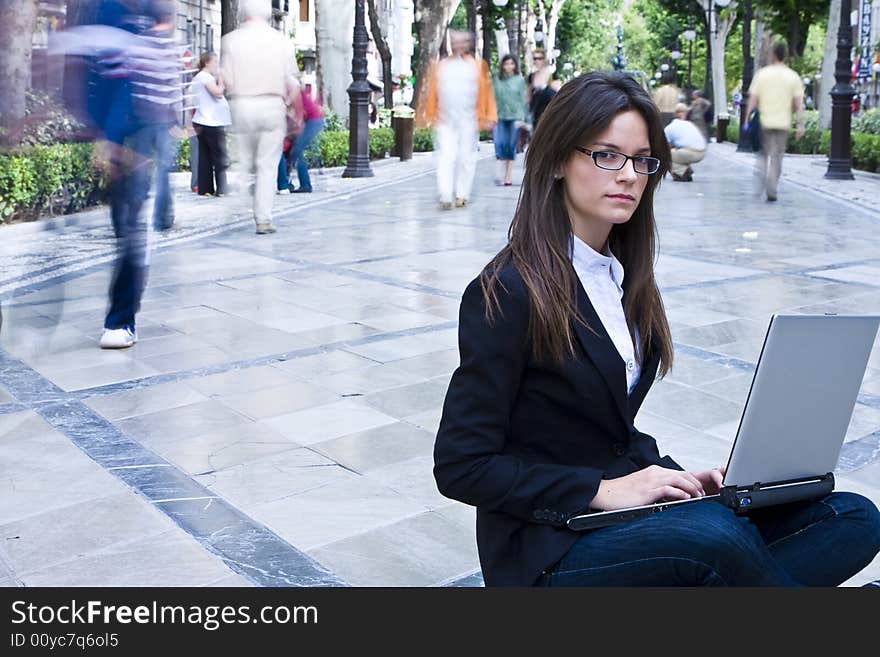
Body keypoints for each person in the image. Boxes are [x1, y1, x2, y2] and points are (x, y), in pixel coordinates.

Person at [433, 70, 880, 587]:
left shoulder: (624, 279)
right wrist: (602, 490)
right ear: (557, 159)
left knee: (851, 517)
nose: (628, 175)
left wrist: (685, 481)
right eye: (606, 155)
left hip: (627, 518)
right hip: (551, 546)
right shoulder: (507, 290)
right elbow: (461, 465)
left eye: (642, 160)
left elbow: (606, 428)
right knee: (714, 540)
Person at [221, 0, 301, 234]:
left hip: (242, 104)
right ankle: (263, 219)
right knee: (267, 165)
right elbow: (292, 83)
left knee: (243, 160)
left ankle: (235, 204)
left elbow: (227, 80)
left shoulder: (231, 41)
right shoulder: (282, 42)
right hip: (272, 104)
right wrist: (295, 111)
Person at [423, 30, 497, 210]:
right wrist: (428, 115)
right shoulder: (441, 66)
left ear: (468, 44)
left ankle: (462, 194)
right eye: (454, 40)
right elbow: (431, 92)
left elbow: (487, 94)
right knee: (445, 156)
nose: (457, 44)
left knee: (466, 157)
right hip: (445, 119)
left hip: (469, 119)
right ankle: (445, 195)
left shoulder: (477, 66)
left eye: (461, 41)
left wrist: (489, 116)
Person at [744, 40, 805, 202]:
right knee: (777, 157)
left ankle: (762, 177)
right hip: (783, 122)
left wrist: (746, 119)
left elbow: (753, 100)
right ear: (784, 55)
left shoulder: (762, 74)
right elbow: (799, 103)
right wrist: (800, 124)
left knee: (763, 155)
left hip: (765, 121)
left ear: (772, 55)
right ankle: (772, 187)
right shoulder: (793, 76)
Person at [191, 51, 231, 197]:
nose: (217, 65)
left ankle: (206, 188)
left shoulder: (198, 78)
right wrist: (221, 81)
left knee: (205, 156)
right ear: (207, 62)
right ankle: (221, 189)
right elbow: (218, 93)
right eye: (215, 62)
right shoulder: (205, 77)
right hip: (211, 121)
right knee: (219, 156)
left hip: (203, 120)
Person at [492, 55, 528, 187]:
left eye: (511, 64)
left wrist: (524, 119)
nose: (508, 66)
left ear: (515, 66)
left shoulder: (519, 80)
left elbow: (523, 100)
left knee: (511, 146)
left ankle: (508, 177)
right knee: (499, 143)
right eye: (506, 64)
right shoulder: (496, 78)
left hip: (515, 117)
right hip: (499, 116)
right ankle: (499, 173)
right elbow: (491, 96)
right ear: (502, 65)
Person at [287, 87, 324, 193]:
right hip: (312, 121)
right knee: (295, 151)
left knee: (296, 150)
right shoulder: (292, 90)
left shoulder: (294, 91)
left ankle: (304, 185)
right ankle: (291, 182)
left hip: (313, 121)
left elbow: (297, 113)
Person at [664, 102, 706, 182]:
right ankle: (686, 170)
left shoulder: (669, 127)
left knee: (666, 155)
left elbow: (665, 147)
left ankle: (682, 172)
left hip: (689, 152)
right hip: (702, 152)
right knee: (678, 153)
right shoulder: (689, 124)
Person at [526, 48, 559, 129]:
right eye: (535, 58)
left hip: (549, 112)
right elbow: (528, 95)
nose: (537, 61)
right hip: (536, 112)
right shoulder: (532, 76)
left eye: (539, 58)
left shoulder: (552, 74)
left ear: (544, 59)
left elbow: (558, 91)